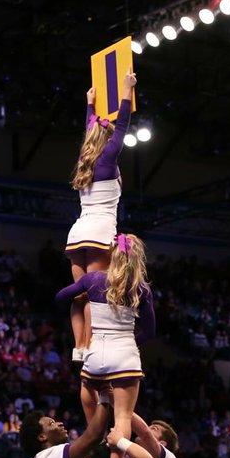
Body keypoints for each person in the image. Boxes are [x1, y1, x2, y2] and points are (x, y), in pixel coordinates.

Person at [55, 233, 155, 458]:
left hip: (96, 356)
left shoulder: (94, 279)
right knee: (123, 416)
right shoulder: (141, 288)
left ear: (113, 255)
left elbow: (60, 297)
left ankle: (93, 451)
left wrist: (83, 295)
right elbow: (150, 331)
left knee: (90, 393)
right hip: (124, 356)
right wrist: (130, 342)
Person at [65, 72, 136, 362]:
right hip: (99, 233)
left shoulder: (85, 161)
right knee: (94, 295)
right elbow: (123, 125)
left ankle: (78, 347)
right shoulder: (107, 159)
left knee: (79, 294)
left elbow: (90, 130)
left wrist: (90, 105)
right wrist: (127, 91)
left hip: (77, 233)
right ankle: (90, 345)